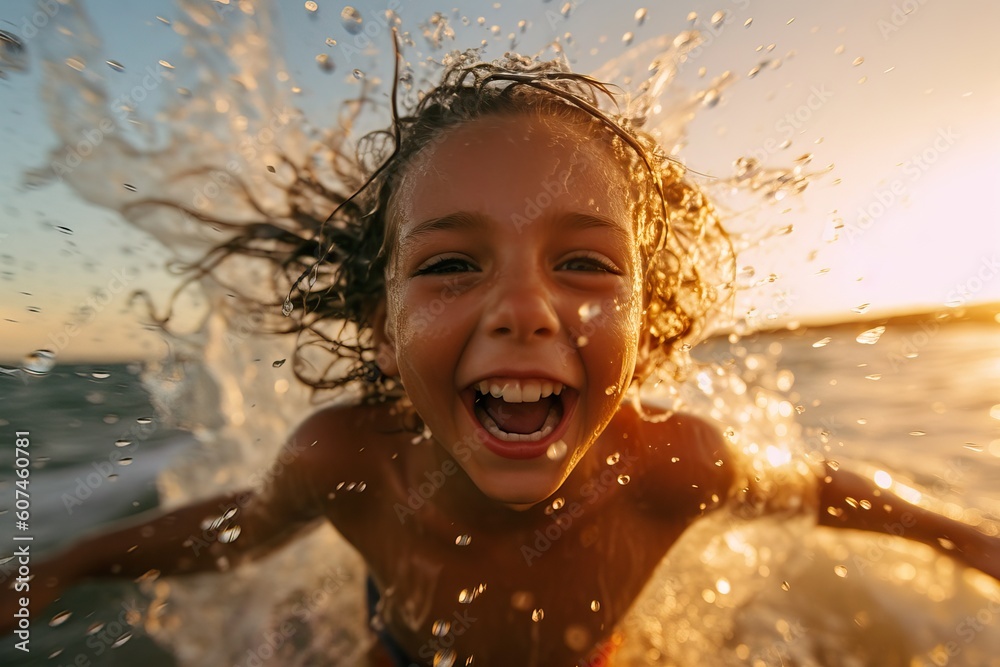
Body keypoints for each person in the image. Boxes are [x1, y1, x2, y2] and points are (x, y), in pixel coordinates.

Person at [3, 54, 998, 667]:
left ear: (646, 321)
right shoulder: (346, 459)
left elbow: (817, 489)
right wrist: (69, 562)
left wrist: (969, 540)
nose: (525, 307)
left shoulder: (671, 467)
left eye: (581, 261)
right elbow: (236, 533)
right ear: (382, 329)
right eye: (448, 263)